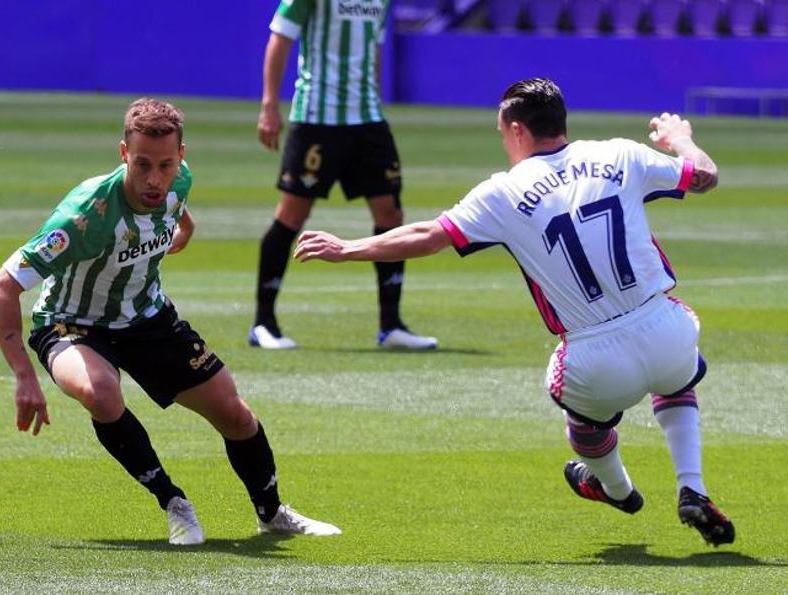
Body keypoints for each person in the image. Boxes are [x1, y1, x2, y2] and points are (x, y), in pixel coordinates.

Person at [294, 78, 735, 546]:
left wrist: (347, 248)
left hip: (595, 359)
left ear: (518, 129)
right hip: (664, 330)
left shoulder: (504, 191)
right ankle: (693, 487)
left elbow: (428, 235)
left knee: (581, 416)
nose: (503, 142)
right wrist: (680, 139)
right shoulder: (621, 154)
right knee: (676, 380)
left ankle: (614, 487)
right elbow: (704, 176)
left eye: (502, 132)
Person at [0, 98, 341, 545]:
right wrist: (24, 379)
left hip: (148, 316)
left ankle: (272, 513)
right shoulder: (84, 217)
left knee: (235, 413)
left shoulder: (178, 182)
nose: (155, 179)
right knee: (101, 394)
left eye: (166, 165)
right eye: (142, 165)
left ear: (181, 158)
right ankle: (173, 502)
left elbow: (174, 206)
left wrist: (184, 230)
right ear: (123, 154)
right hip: (71, 323)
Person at [250, 0, 437, 350]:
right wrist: (270, 106)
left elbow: (375, 48)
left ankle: (391, 325)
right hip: (317, 118)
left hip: (367, 119)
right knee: (292, 215)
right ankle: (263, 323)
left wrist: (376, 102)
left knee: (390, 214)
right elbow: (280, 38)